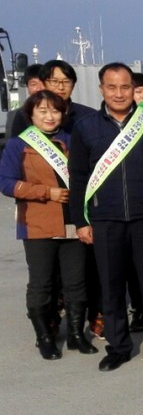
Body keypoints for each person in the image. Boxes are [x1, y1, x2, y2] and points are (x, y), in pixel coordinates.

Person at [69, 63, 143, 371]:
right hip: (105, 219)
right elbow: (78, 177)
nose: (119, 93)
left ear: (135, 89)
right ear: (102, 89)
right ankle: (118, 346)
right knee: (112, 285)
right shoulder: (87, 127)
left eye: (125, 87)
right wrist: (80, 220)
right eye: (112, 87)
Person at [0, 90, 92, 360]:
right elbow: (6, 182)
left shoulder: (73, 141)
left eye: (55, 111)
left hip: (73, 222)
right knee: (41, 283)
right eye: (42, 111)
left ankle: (76, 334)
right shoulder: (18, 145)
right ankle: (45, 337)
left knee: (76, 281)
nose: (50, 116)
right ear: (30, 115)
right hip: (37, 223)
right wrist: (45, 192)